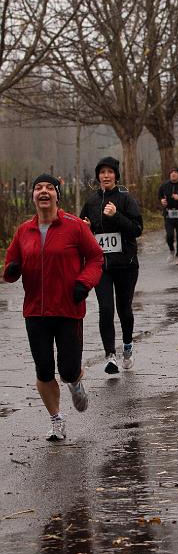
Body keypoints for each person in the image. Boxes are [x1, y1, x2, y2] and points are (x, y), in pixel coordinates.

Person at [3, 174, 103, 441]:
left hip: (69, 308)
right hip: (35, 311)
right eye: (38, 188)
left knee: (68, 368)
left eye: (49, 188)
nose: (43, 191)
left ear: (58, 195)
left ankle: (75, 381)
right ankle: (56, 420)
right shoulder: (24, 230)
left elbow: (96, 258)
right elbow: (10, 265)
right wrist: (12, 271)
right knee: (44, 369)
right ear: (33, 196)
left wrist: (85, 282)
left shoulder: (75, 226)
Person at [80, 157, 143, 375]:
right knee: (105, 309)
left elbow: (136, 229)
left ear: (116, 175)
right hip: (101, 266)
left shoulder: (126, 199)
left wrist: (116, 216)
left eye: (110, 172)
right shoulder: (91, 202)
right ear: (98, 176)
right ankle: (110, 356)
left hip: (126, 264)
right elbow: (81, 233)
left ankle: (127, 346)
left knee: (123, 308)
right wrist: (86, 229)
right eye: (102, 172)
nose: (106, 176)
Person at [157, 167, 178, 263]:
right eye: (171, 172)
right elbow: (159, 195)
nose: (173, 174)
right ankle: (172, 251)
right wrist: (162, 201)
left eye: (175, 172)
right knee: (169, 235)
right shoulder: (164, 185)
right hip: (168, 214)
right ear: (169, 175)